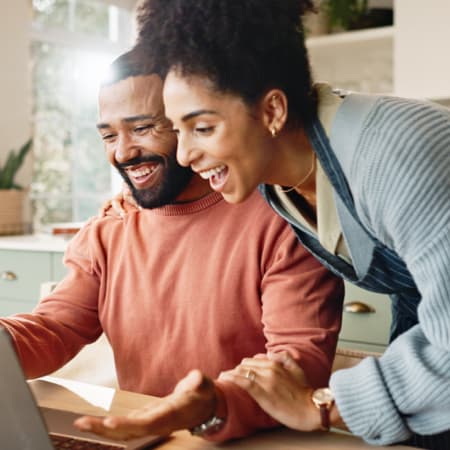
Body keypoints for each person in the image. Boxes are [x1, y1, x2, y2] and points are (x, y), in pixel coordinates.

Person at [125, 1, 450, 449]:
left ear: (273, 111)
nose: (184, 155)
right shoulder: (276, 184)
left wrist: (319, 405)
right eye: (178, 131)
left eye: (202, 128)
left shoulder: (396, 151)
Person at [0, 46, 344, 442]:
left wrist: (211, 404)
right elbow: (55, 328)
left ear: (191, 123)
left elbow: (298, 362)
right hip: (140, 437)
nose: (123, 152)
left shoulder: (285, 219)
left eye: (143, 128)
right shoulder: (110, 228)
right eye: (109, 135)